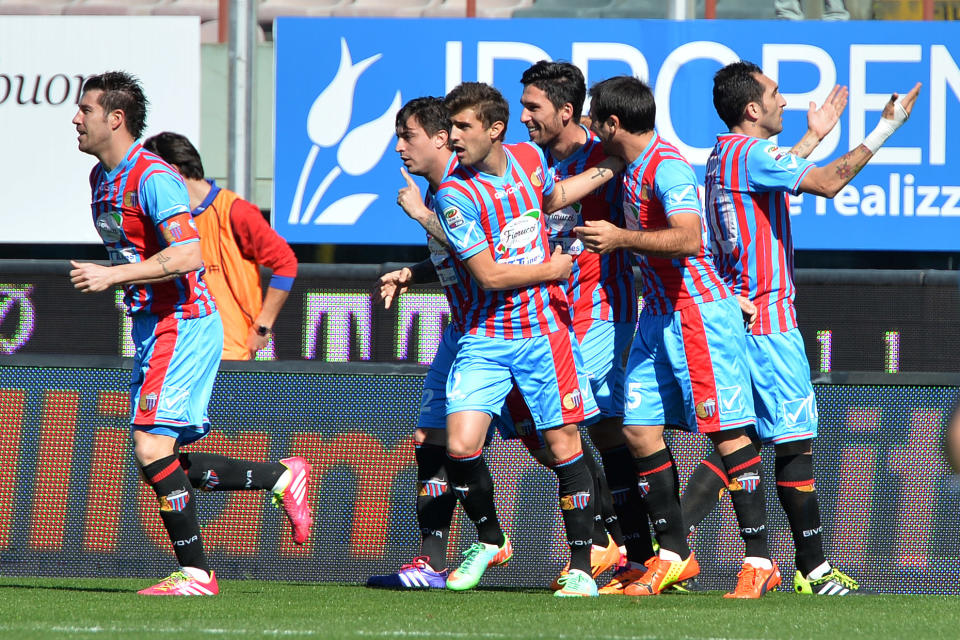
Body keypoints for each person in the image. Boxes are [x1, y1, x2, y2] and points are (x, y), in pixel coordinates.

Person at [68, 71, 313, 596]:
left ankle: (198, 575)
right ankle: (279, 477)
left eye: (84, 109)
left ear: (115, 118)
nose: (76, 119)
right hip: (151, 325)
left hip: (181, 320)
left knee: (150, 444)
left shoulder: (152, 176)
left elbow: (189, 254)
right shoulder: (100, 178)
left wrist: (112, 275)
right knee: (164, 458)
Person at [690, 60, 920, 596]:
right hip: (767, 321)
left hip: (730, 316)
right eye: (775, 94)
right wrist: (886, 127)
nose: (785, 101)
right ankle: (813, 570)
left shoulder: (724, 154)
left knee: (736, 445)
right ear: (753, 108)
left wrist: (813, 136)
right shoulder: (752, 153)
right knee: (793, 444)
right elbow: (829, 184)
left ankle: (671, 549)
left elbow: (775, 169)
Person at [574, 76, 776, 599]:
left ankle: (759, 560)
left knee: (727, 434)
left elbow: (689, 237)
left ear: (612, 124)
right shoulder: (628, 163)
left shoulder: (665, 166)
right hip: (657, 315)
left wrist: (619, 237)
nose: (590, 127)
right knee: (638, 430)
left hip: (697, 315)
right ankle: (675, 554)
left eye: (594, 118)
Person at [432, 82, 622, 597]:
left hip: (544, 335)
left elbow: (553, 196)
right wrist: (552, 269)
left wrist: (610, 168)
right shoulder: (453, 195)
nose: (451, 138)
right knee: (460, 445)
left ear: (494, 130)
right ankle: (491, 538)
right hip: (486, 339)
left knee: (565, 448)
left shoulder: (529, 158)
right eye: (449, 128)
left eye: (462, 127)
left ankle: (582, 566)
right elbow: (489, 276)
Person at [518, 60, 657, 594]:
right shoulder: (527, 159)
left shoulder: (607, 153)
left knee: (567, 418)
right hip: (549, 307)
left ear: (566, 111)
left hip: (602, 306)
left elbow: (549, 201)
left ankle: (610, 546)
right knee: (596, 428)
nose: (524, 117)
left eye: (534, 107)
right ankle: (634, 553)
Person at [141, 132, 298, 361]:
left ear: (172, 171)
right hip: (178, 356)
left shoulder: (235, 211)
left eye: (150, 176)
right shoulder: (165, 220)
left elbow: (286, 263)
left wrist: (262, 327)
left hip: (229, 358)